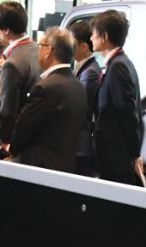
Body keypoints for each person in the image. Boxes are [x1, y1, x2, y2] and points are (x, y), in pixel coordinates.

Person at [6, 28, 87, 173]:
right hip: (66, 166)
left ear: (49, 50)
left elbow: (24, 127)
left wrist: (12, 149)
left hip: (38, 167)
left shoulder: (46, 87)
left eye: (40, 46)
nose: (38, 51)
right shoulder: (77, 85)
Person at [91, 10, 143, 185]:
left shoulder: (118, 66)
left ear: (104, 36)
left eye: (94, 33)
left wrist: (135, 153)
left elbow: (127, 113)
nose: (91, 37)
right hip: (114, 156)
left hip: (115, 158)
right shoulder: (120, 63)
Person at [0, 1, 39, 149]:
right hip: (38, 132)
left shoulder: (12, 63)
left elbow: (8, 110)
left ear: (6, 30)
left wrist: (4, 140)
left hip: (18, 138)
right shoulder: (38, 49)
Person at [68, 20, 101, 177]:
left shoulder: (90, 72)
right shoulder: (83, 67)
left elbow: (81, 106)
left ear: (83, 47)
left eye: (71, 43)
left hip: (80, 144)